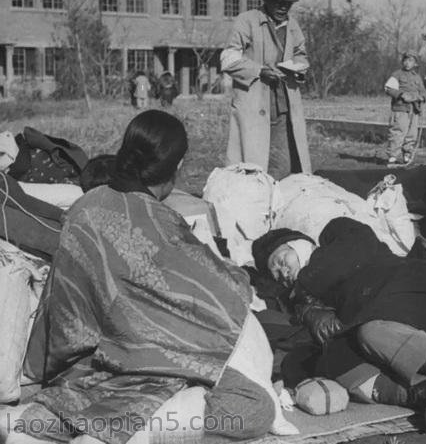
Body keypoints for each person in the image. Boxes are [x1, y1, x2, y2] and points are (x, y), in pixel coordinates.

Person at [21, 110, 275, 444]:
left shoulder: (83, 208)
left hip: (82, 371)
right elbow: (225, 292)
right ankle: (135, 432)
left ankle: (44, 424)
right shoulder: (164, 223)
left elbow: (62, 301)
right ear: (178, 167)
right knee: (255, 409)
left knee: (64, 402)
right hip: (150, 374)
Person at [252, 217, 426, 434]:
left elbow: (355, 249)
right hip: (399, 342)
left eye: (282, 259)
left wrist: (305, 296)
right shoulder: (307, 303)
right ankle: (425, 393)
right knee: (335, 360)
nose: (282, 271)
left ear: (298, 244)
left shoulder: (337, 233)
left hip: (418, 297)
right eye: (275, 274)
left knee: (370, 330)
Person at [220, 0, 312, 180]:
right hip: (254, 105)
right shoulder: (247, 21)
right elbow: (228, 57)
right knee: (251, 166)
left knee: (284, 165)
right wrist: (259, 70)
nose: (283, 8)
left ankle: (278, 206)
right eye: (278, 2)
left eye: (287, 4)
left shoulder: (293, 26)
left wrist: (296, 69)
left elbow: (301, 55)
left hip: (283, 107)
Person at [384, 51, 426, 166]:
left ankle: (407, 155)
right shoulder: (397, 74)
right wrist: (401, 95)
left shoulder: (417, 77)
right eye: (405, 60)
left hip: (414, 110)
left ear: (415, 64)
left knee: (412, 134)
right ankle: (392, 157)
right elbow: (388, 88)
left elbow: (423, 92)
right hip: (400, 109)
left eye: (411, 61)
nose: (407, 63)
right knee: (398, 132)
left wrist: (421, 98)